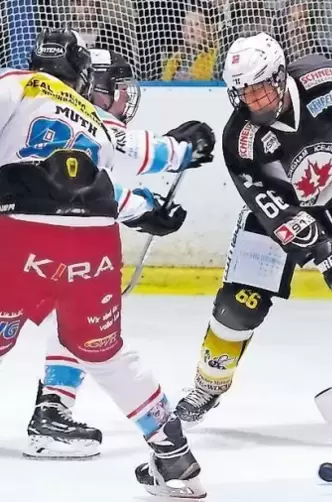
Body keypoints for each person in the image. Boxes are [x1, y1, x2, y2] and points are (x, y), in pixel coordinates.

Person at [174, 32, 332, 433]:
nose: (254, 101)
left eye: (260, 89)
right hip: (282, 210)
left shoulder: (326, 78)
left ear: (278, 76)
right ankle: (207, 386)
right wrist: (326, 248)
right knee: (239, 304)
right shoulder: (240, 140)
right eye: (244, 93)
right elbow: (272, 210)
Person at [0, 29, 206, 497]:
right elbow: (149, 154)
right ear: (81, 75)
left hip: (19, 234)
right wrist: (189, 147)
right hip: (93, 240)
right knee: (106, 353)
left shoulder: (14, 83)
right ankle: (175, 460)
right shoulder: (93, 117)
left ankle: (53, 408)